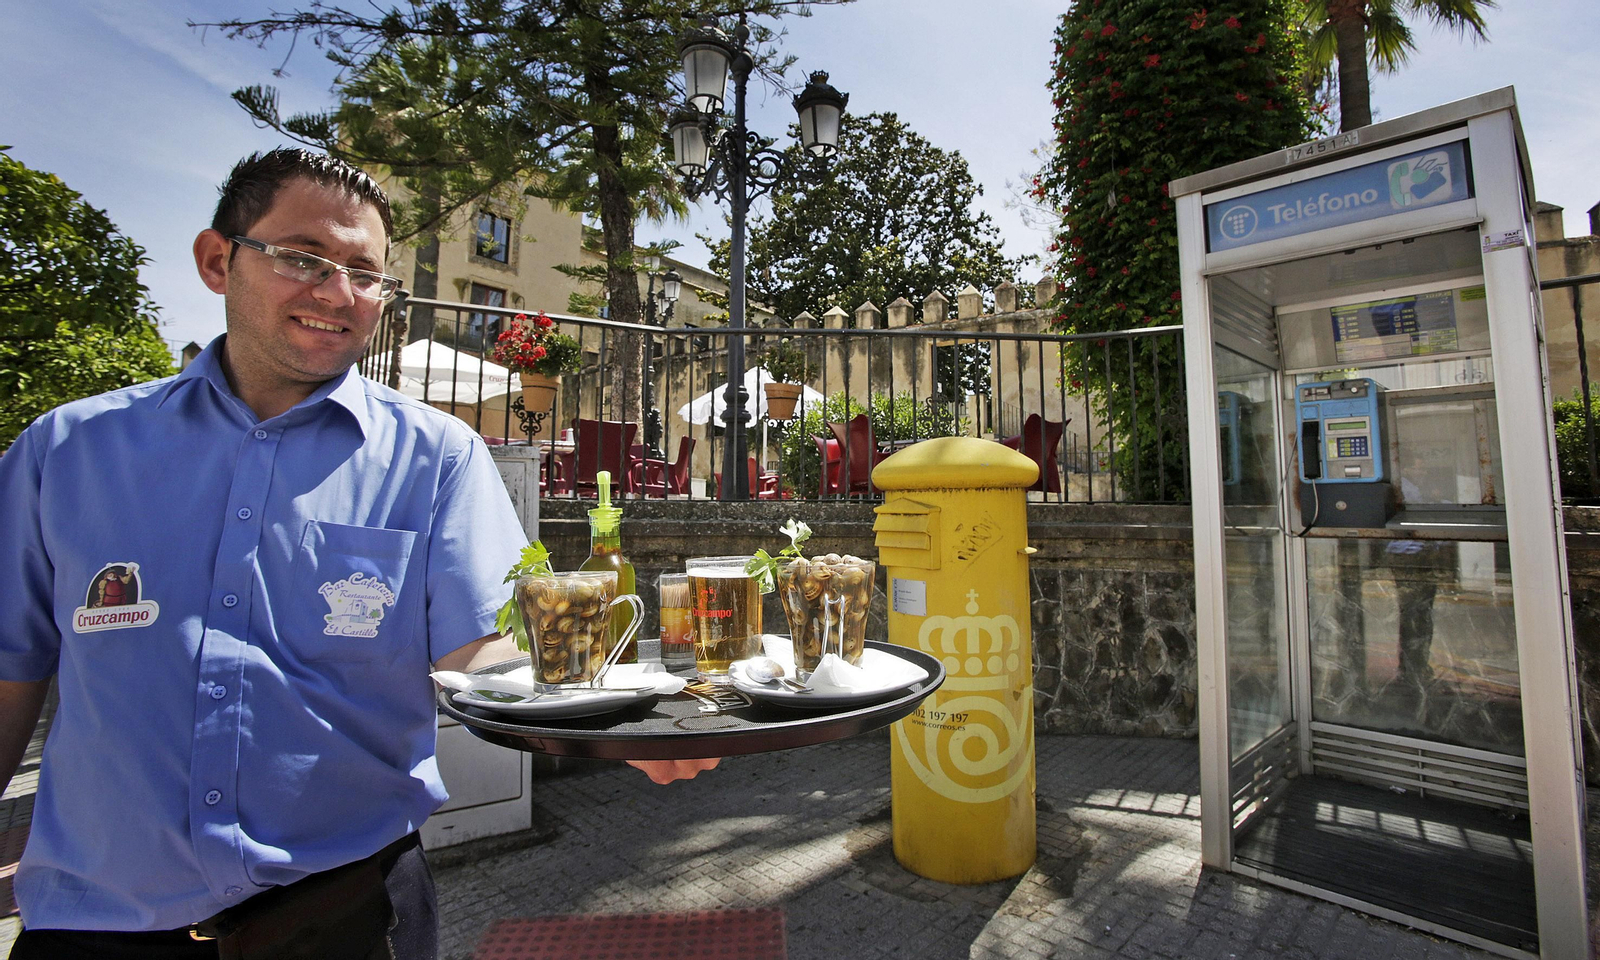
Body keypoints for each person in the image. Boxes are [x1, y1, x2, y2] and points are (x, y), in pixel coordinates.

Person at [0, 148, 716, 960]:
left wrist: (623, 724)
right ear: (215, 260)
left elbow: (482, 648)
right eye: (303, 258)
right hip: (92, 929)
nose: (336, 293)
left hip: (351, 918)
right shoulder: (66, 453)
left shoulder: (437, 458)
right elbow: (9, 674)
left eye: (365, 273)